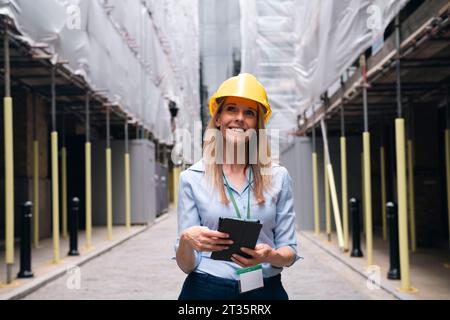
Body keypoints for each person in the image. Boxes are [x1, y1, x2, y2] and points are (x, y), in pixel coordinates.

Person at [175, 73, 300, 300]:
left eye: (249, 113)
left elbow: (289, 252)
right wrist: (185, 240)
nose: (239, 118)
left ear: (257, 124)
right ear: (219, 118)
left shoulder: (279, 177)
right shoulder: (191, 178)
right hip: (205, 290)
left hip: (264, 289)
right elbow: (186, 265)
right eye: (232, 109)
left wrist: (270, 255)